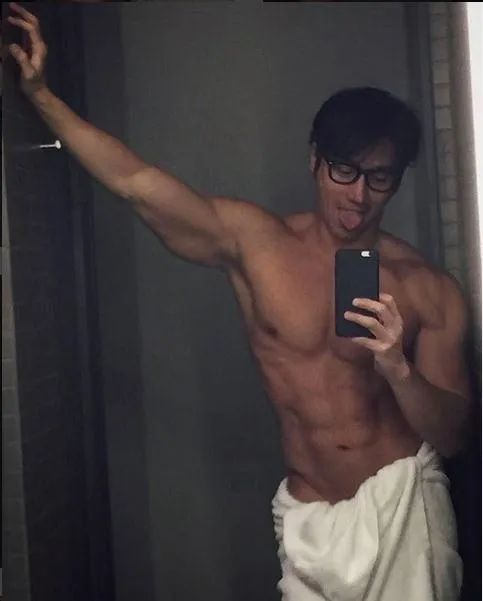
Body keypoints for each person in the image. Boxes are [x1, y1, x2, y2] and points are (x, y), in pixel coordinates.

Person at [8, 3, 473, 600]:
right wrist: (41, 95)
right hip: (310, 521)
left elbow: (455, 435)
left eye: (379, 177)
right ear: (314, 160)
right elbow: (136, 184)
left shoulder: (426, 288)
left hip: (402, 508)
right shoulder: (258, 246)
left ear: (397, 180)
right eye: (344, 170)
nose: (359, 195)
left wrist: (399, 371)